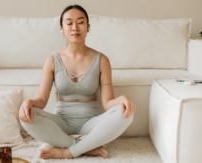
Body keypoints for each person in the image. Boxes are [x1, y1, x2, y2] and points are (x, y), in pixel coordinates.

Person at [18, 4, 136, 159]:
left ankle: (68, 151)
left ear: (88, 27)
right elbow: (41, 100)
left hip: (91, 124)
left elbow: (107, 103)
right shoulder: (52, 60)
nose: (75, 27)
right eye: (69, 23)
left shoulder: (102, 60)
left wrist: (121, 99)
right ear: (62, 29)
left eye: (80, 22)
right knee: (26, 117)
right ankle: (85, 148)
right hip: (61, 123)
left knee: (127, 113)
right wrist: (29, 102)